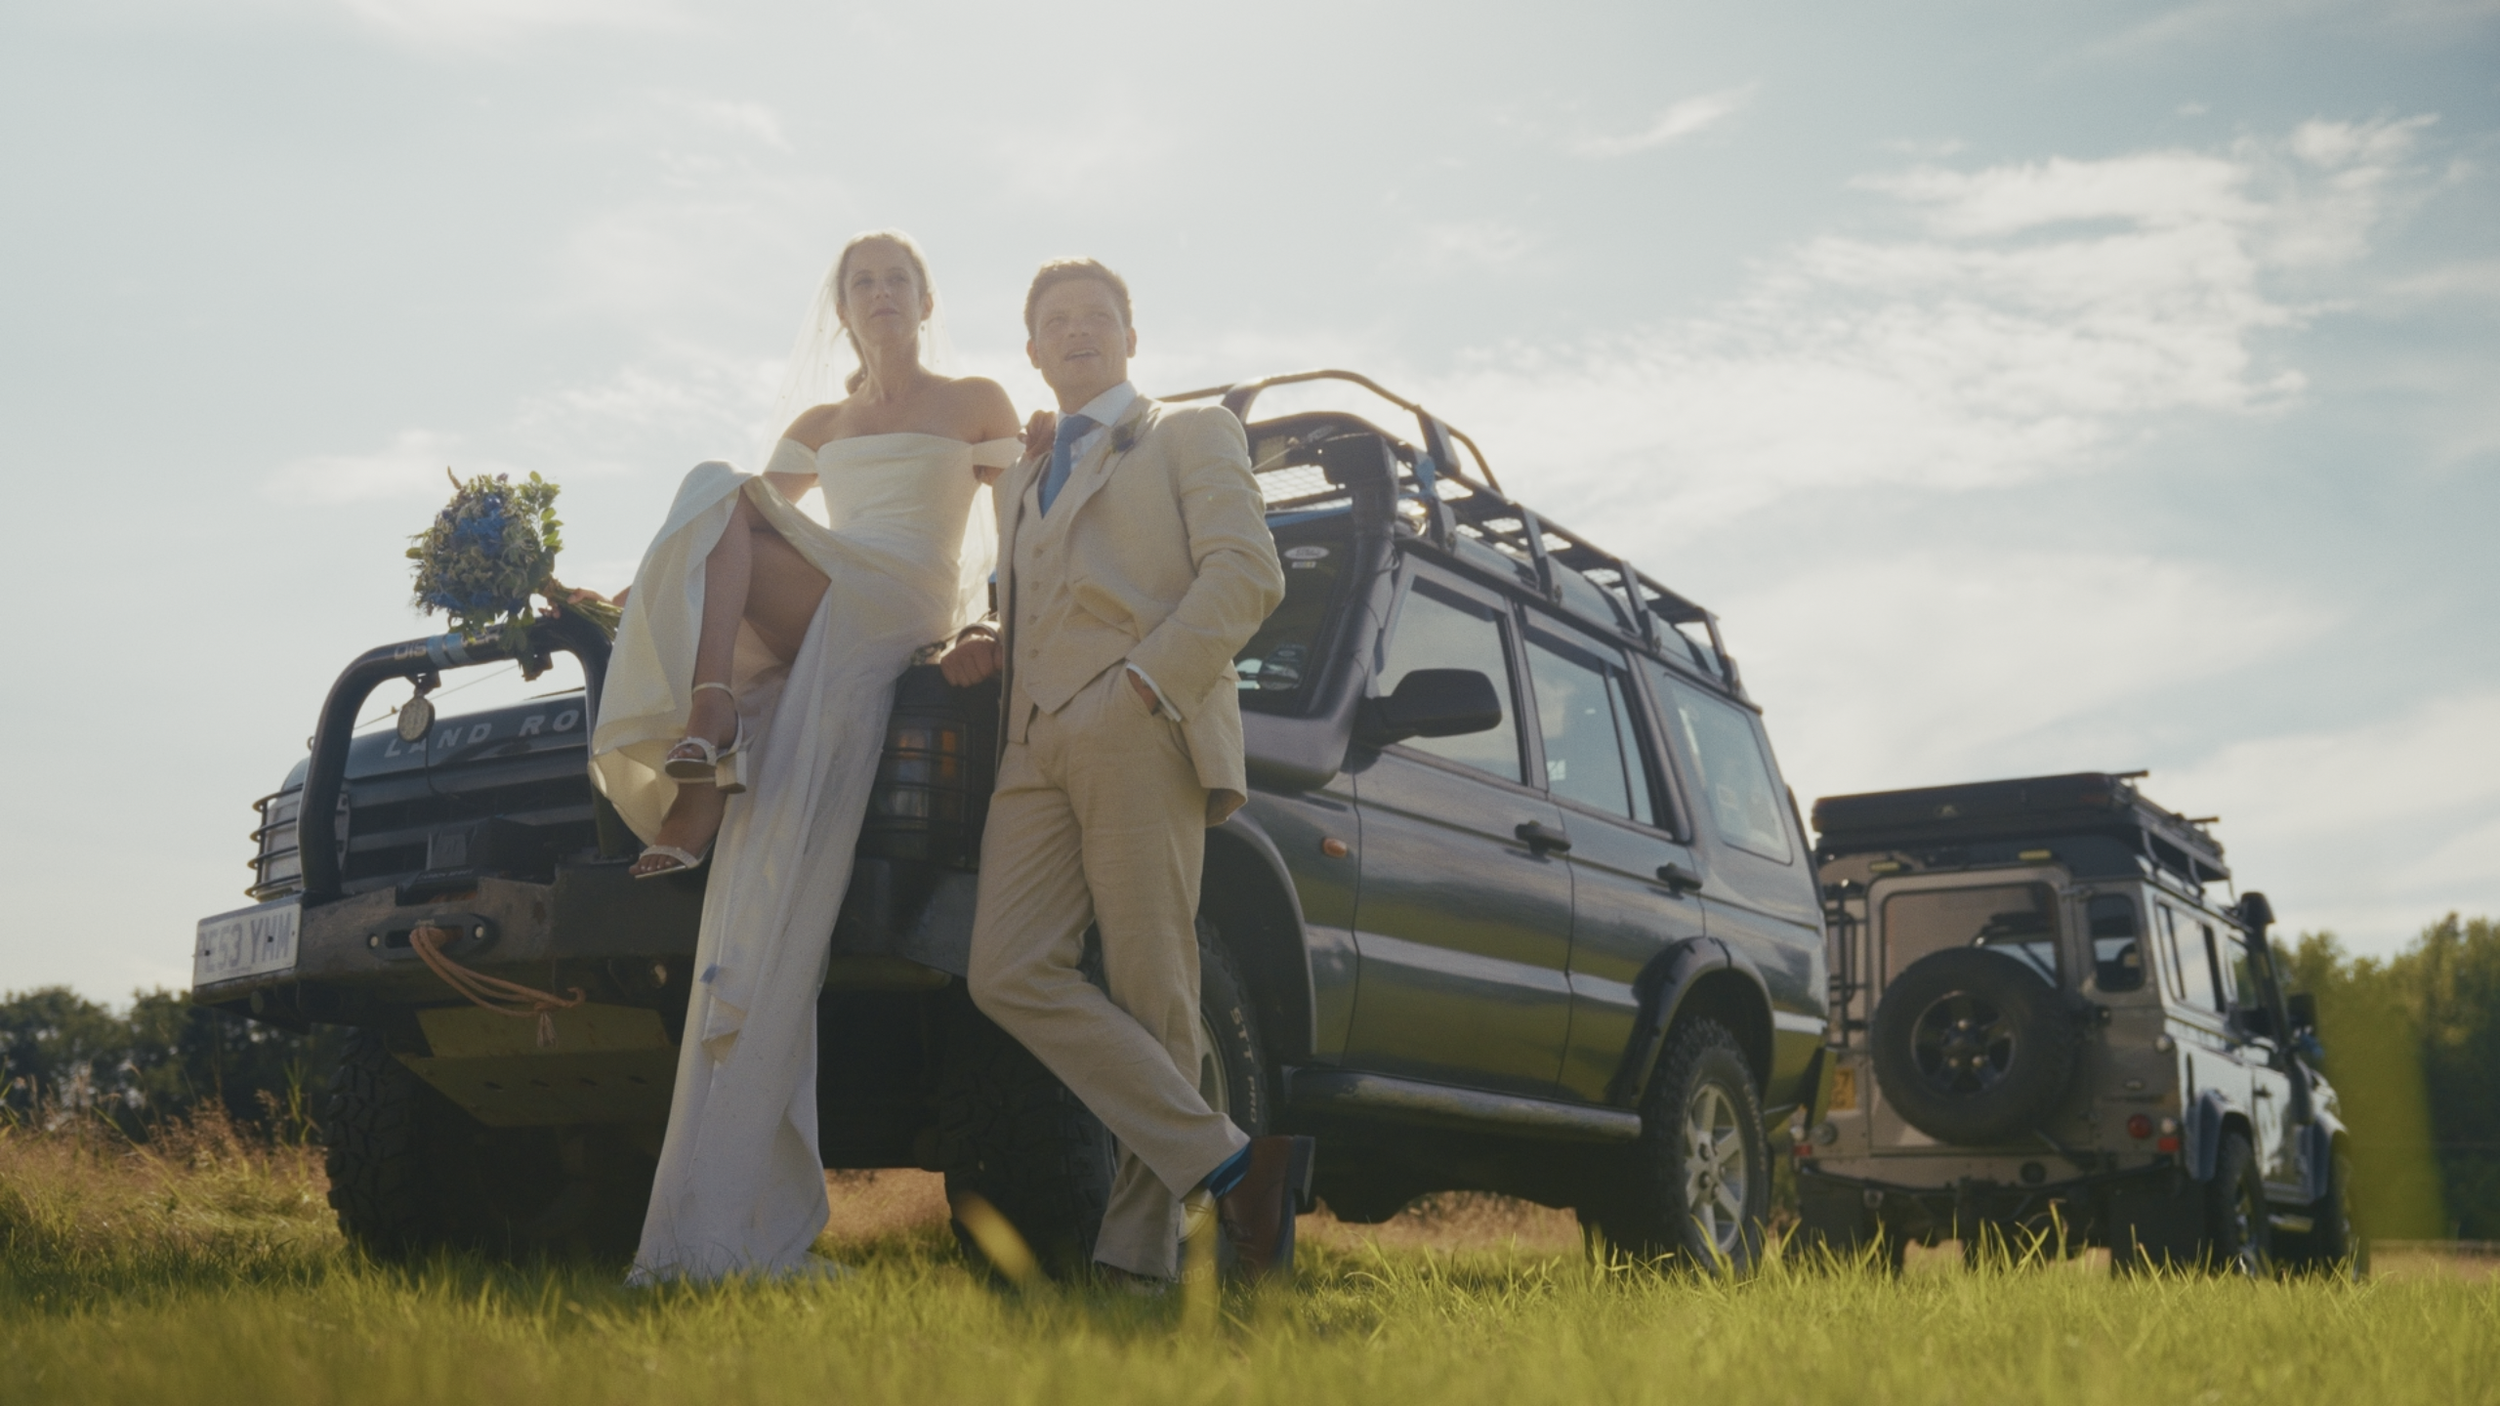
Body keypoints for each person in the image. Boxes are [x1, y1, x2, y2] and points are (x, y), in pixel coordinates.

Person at [590, 230, 1023, 1283]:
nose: (879, 294)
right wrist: (628, 594)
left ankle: (712, 713)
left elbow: (1018, 537)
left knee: (719, 494)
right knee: (713, 485)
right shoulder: (819, 424)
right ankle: (711, 713)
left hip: (901, 596)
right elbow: (726, 529)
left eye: (896, 280)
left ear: (926, 299)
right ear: (841, 307)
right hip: (827, 587)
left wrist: (987, 627)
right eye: (860, 282)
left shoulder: (976, 400)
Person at [939, 258, 1308, 1286]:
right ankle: (1233, 1163)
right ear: (1031, 351)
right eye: (1055, 320)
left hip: (1138, 716)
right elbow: (1031, 596)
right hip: (1032, 739)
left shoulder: (1191, 433)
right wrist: (982, 632)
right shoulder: (1020, 474)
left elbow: (1248, 571)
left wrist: (1149, 683)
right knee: (1007, 967)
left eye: (1096, 316)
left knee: (1155, 987)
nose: (1077, 330)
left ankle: (1136, 1257)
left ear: (1130, 337)